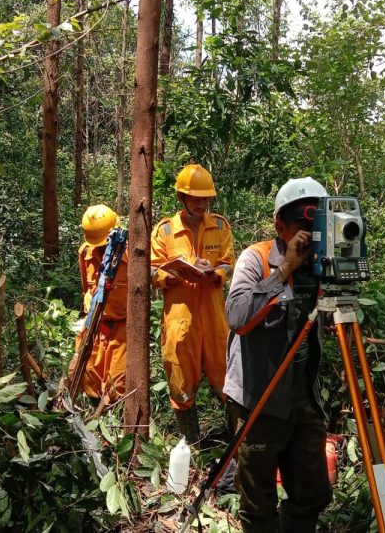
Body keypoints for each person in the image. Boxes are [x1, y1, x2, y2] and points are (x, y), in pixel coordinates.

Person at [223, 177, 333, 532]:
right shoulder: (255, 259)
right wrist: (284, 268)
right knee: (258, 505)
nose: (310, 238)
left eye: (316, 229)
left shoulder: (322, 265)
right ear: (280, 227)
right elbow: (237, 318)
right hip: (259, 402)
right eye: (302, 228)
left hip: (303, 401)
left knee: (312, 493)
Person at [150, 164, 235, 443]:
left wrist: (215, 272)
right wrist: (171, 274)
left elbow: (228, 263)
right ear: (182, 198)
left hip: (213, 316)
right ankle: (192, 445)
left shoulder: (220, 225)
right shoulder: (164, 231)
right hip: (179, 318)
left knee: (226, 375)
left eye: (206, 198)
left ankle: (237, 443)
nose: (201, 204)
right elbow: (151, 270)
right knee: (180, 379)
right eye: (195, 198)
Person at [67, 204, 128, 400]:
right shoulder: (86, 253)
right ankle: (90, 415)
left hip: (121, 326)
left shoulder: (129, 254)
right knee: (88, 376)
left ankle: (113, 415)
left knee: (117, 382)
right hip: (95, 323)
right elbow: (87, 287)